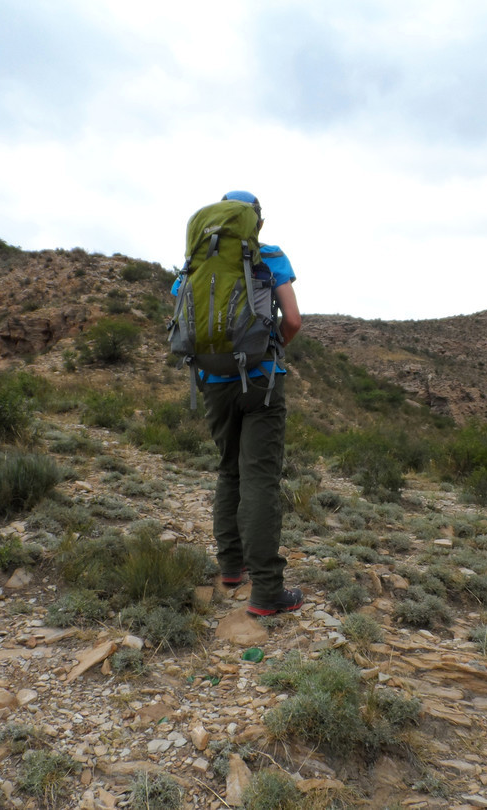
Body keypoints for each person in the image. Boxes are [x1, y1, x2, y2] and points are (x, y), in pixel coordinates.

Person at [173, 190, 304, 616]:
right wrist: (271, 349)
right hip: (262, 382)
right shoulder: (271, 256)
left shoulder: (194, 263)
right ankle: (267, 591)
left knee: (228, 471)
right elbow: (294, 320)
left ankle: (231, 567)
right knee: (260, 480)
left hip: (213, 382)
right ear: (256, 223)